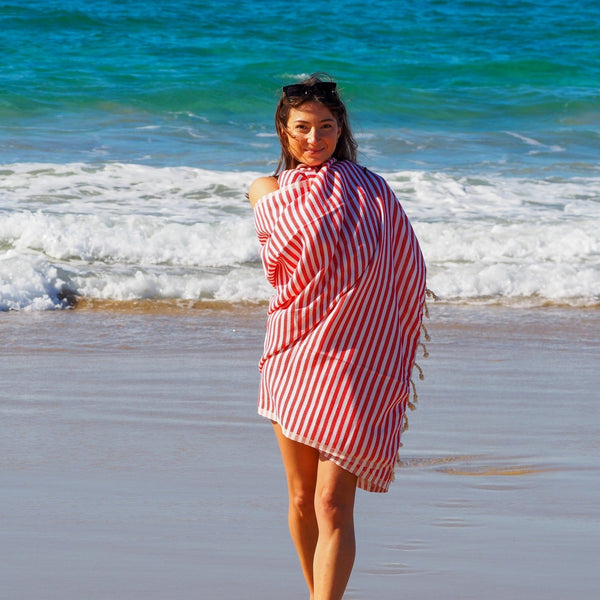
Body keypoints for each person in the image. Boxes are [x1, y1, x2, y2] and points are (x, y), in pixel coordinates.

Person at [249, 73, 427, 600]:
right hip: (295, 352)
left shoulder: (371, 188)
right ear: (283, 131)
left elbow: (403, 267)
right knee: (302, 497)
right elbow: (281, 270)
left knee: (332, 503)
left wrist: (382, 334)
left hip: (356, 358)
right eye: (302, 128)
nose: (314, 139)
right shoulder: (268, 190)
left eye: (326, 127)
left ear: (340, 128)